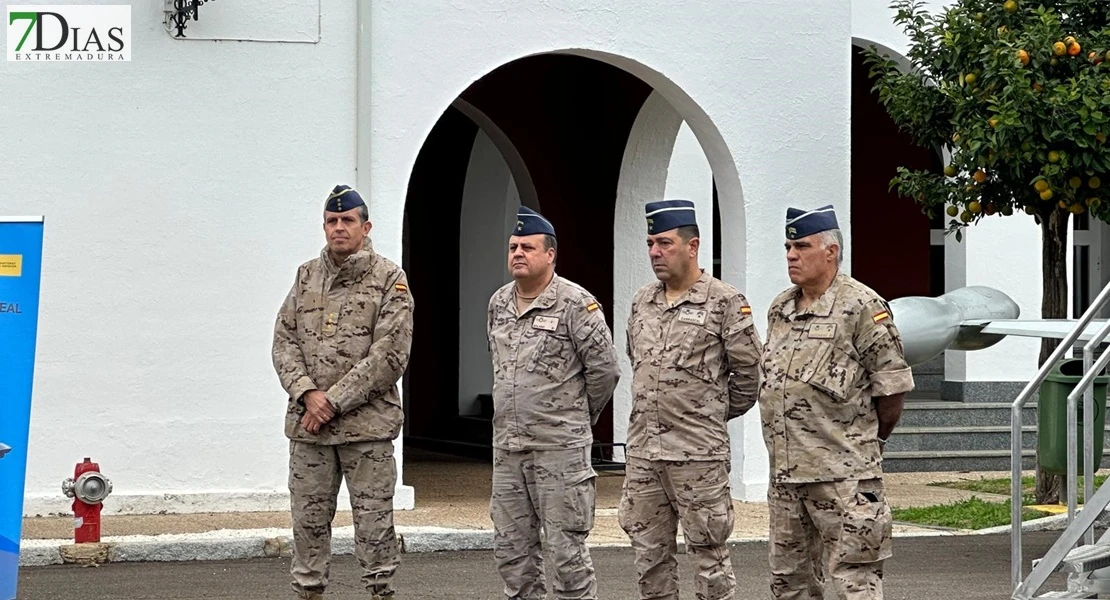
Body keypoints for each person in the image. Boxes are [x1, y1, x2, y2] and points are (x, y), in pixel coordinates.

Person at [759, 204, 914, 600]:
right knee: (788, 583)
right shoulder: (781, 308)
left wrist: (865, 446)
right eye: (788, 247)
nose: (791, 255)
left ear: (831, 251)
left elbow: (891, 389)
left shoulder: (862, 307)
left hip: (843, 479)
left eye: (802, 246)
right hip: (787, 477)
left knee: (853, 582)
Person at [272, 184, 414, 600]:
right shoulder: (305, 276)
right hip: (310, 432)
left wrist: (331, 402)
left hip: (366, 431)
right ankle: (308, 593)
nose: (338, 228)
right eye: (331, 221)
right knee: (309, 524)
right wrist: (306, 394)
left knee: (373, 527)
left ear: (365, 226)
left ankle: (380, 593)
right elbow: (284, 341)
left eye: (347, 220)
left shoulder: (390, 279)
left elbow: (390, 356)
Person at [620, 199, 763, 600]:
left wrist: (707, 414)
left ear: (692, 245)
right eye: (650, 243)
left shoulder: (725, 302)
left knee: (709, 556)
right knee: (648, 557)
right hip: (645, 454)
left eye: (664, 243)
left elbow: (749, 376)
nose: (654, 252)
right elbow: (639, 362)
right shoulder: (642, 301)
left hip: (699, 455)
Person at [486, 205, 621, 600]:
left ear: (550, 254)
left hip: (559, 451)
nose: (517, 253)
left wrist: (575, 416)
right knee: (512, 554)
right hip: (508, 450)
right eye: (513, 247)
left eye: (528, 247)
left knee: (567, 556)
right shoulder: (498, 303)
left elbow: (605, 371)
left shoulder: (576, 304)